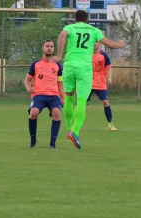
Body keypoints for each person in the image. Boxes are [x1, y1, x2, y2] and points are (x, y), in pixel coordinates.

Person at [52, 10, 126, 150]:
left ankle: (69, 129)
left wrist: (59, 54)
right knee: (81, 101)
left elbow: (62, 36)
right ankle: (75, 132)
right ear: (88, 19)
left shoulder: (69, 28)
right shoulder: (94, 30)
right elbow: (109, 44)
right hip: (84, 68)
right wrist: (120, 45)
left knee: (68, 99)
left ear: (74, 19)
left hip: (69, 65)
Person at [25, 40, 64, 149]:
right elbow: (27, 80)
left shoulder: (58, 66)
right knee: (34, 113)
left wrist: (63, 97)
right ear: (43, 48)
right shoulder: (36, 64)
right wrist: (29, 87)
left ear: (53, 49)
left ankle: (53, 144)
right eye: (47, 46)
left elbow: (60, 83)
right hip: (39, 95)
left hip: (54, 95)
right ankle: (33, 141)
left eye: (51, 46)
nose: (49, 48)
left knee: (56, 113)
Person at [88, 43, 116, 131]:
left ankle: (110, 123)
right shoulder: (86, 54)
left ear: (99, 44)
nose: (94, 44)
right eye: (93, 42)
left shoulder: (103, 55)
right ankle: (75, 124)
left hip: (100, 83)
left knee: (105, 102)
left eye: (96, 42)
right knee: (81, 102)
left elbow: (109, 66)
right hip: (88, 83)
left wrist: (110, 77)